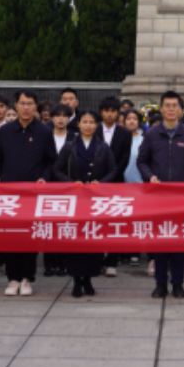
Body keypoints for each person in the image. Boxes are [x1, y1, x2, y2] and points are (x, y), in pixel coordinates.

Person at [137, 91, 184, 300]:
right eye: (166, 105)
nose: (170, 109)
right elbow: (142, 161)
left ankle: (178, 283)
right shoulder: (151, 134)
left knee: (179, 243)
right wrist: (150, 177)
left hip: (181, 199)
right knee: (159, 243)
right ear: (161, 108)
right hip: (157, 197)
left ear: (180, 110)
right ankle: (160, 283)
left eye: (174, 105)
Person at [0, 89, 57, 297]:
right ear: (15, 106)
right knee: (10, 236)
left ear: (36, 106)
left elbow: (51, 161)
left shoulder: (44, 132)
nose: (26, 107)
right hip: (9, 194)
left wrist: (44, 178)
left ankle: (27, 278)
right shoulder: (6, 131)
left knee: (30, 236)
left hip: (33, 194)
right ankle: (13, 278)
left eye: (30, 103)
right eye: (22, 103)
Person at [52, 109, 117, 298]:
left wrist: (101, 183)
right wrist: (71, 183)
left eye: (92, 122)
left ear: (96, 125)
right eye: (84, 122)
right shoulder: (69, 146)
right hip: (75, 200)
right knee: (75, 241)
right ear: (78, 124)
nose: (88, 125)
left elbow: (113, 171)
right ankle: (76, 281)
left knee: (93, 241)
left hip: (95, 201)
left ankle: (88, 279)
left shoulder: (103, 146)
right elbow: (57, 170)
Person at [98, 97, 133, 278]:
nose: (110, 114)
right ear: (101, 112)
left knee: (113, 224)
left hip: (116, 184)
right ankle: (96, 261)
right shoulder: (93, 130)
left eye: (113, 111)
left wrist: (110, 177)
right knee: (95, 223)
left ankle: (111, 262)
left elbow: (124, 159)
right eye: (106, 110)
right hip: (94, 185)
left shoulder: (124, 134)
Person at [43, 104, 74, 279]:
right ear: (52, 118)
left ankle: (62, 264)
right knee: (48, 226)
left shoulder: (74, 138)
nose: (61, 119)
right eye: (57, 115)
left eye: (64, 115)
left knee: (65, 226)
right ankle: (49, 264)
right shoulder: (45, 137)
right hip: (48, 186)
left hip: (67, 187)